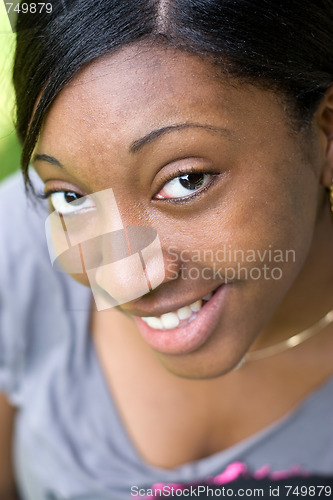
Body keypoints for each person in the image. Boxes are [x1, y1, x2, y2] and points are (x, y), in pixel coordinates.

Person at [0, 1, 333, 499]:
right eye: (70, 197)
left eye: (186, 180)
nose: (124, 281)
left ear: (326, 131)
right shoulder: (18, 249)